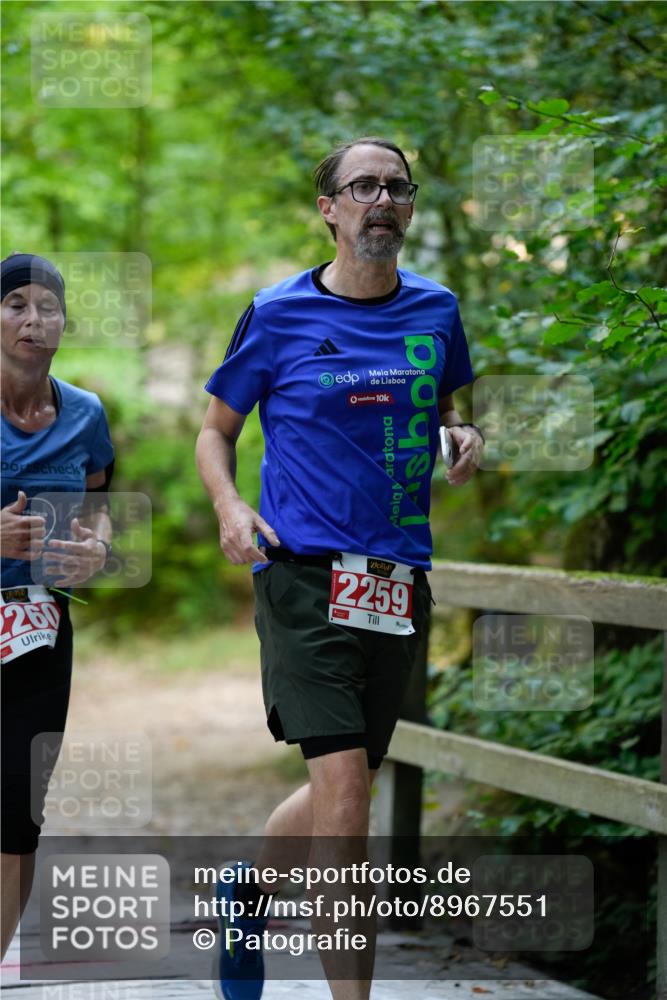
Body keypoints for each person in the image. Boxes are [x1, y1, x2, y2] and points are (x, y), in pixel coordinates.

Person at [196, 136, 483, 1000]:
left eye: (396, 187)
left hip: (395, 580)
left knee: (346, 783)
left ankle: (245, 892)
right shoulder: (276, 313)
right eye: (363, 187)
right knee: (349, 803)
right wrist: (229, 507)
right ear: (328, 208)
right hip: (302, 575)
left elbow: (448, 408)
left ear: (410, 205)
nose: (381, 200)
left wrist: (461, 434)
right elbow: (215, 431)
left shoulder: (436, 310)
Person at [0, 253, 114, 958]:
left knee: (18, 810)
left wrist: (97, 549)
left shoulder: (86, 414)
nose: (33, 319)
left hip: (38, 627)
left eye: (48, 307)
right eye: (16, 304)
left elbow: (100, 502)